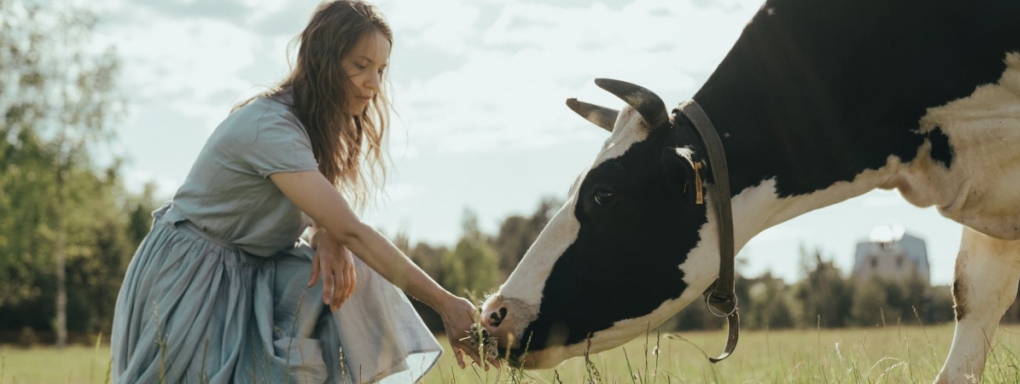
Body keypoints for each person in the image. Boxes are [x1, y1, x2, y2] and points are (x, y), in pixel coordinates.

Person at [110, 1, 497, 382]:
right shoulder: (270, 127)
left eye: (380, 69)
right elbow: (352, 229)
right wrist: (445, 303)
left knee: (350, 269)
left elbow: (328, 220)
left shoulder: (315, 128)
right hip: (194, 270)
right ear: (322, 60)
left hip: (252, 272)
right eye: (360, 66)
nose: (374, 84)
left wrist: (325, 235)